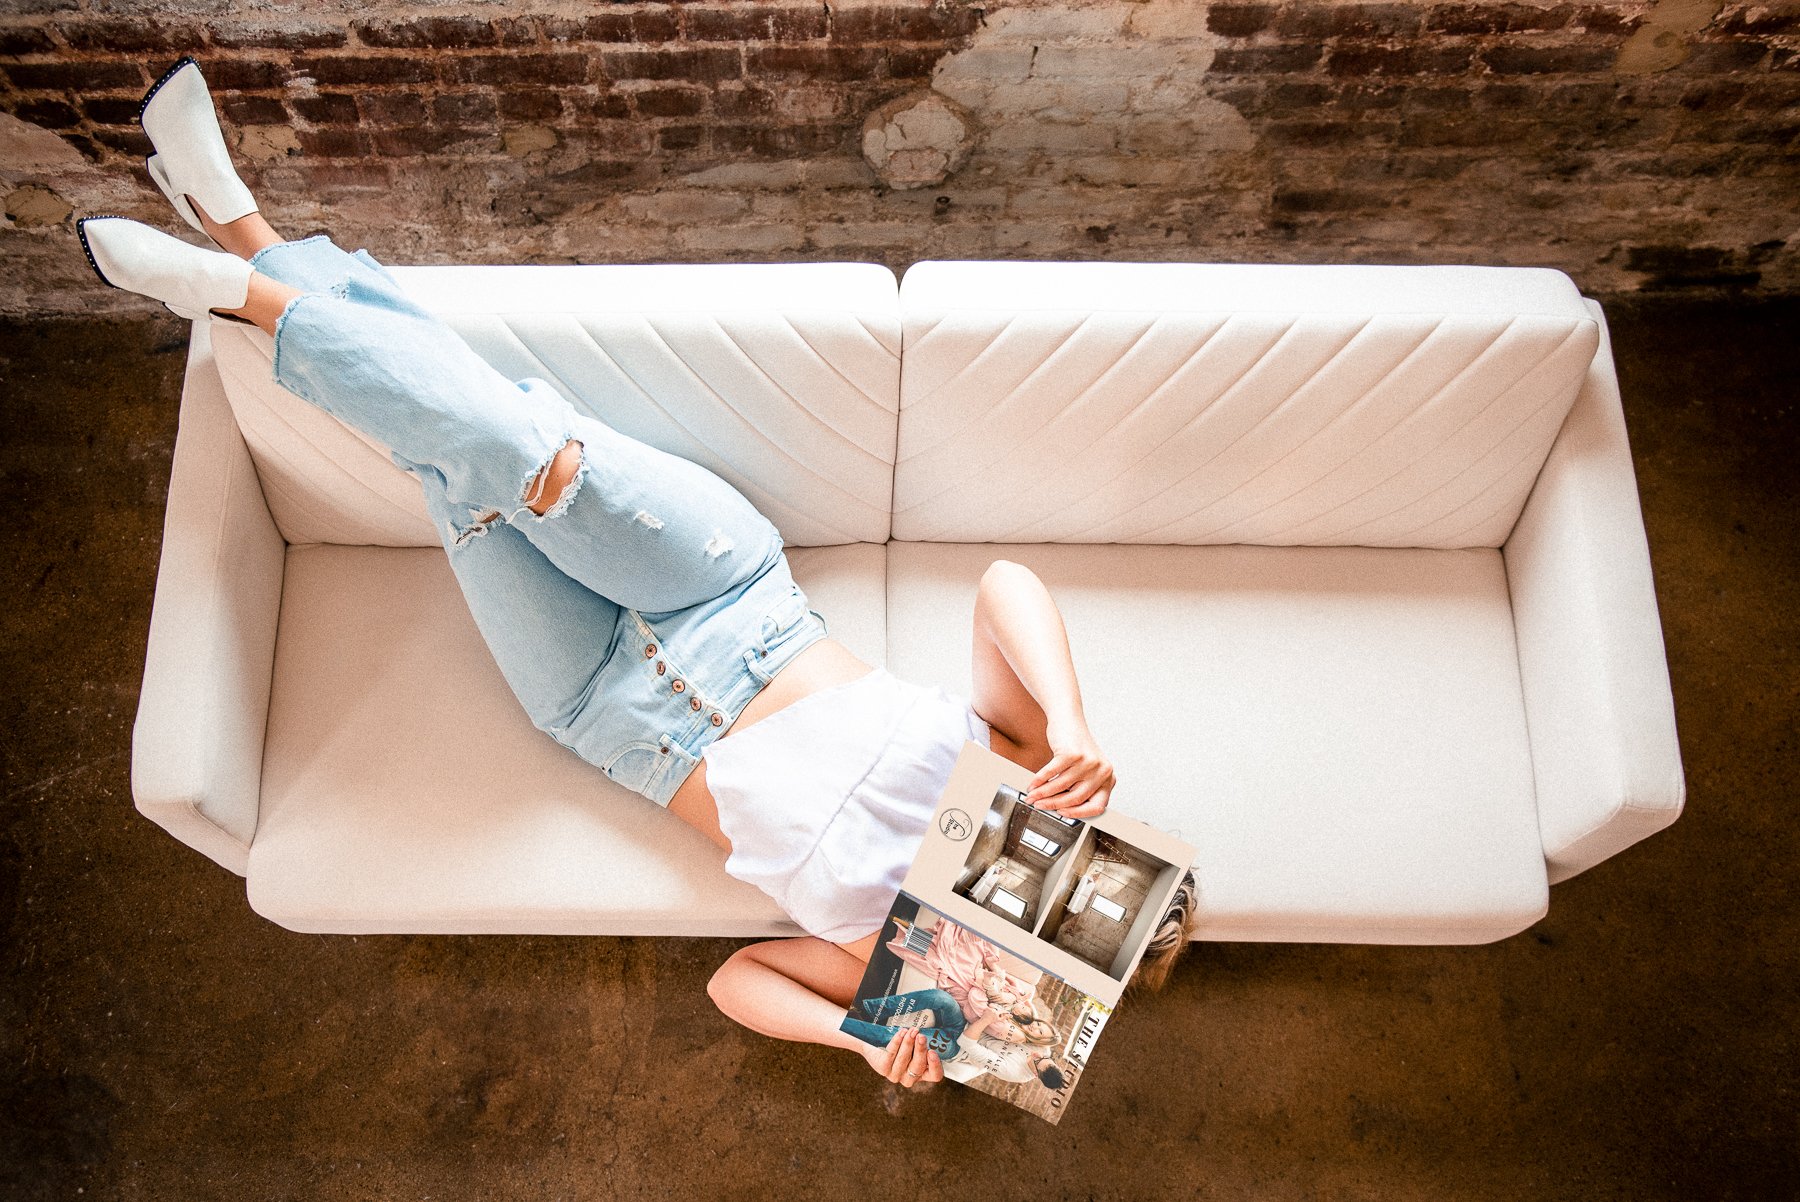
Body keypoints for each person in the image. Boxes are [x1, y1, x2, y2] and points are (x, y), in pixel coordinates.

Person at [81, 56, 1201, 1094]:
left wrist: (859, 1036)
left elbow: (736, 982)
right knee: (522, 454)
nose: (1051, 903)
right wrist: (1071, 718)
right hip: (720, 594)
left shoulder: (911, 972)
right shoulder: (1018, 764)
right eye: (1089, 885)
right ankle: (242, 289)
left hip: (606, 710)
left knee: (452, 458)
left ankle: (241, 231)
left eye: (1063, 932)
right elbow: (1006, 582)